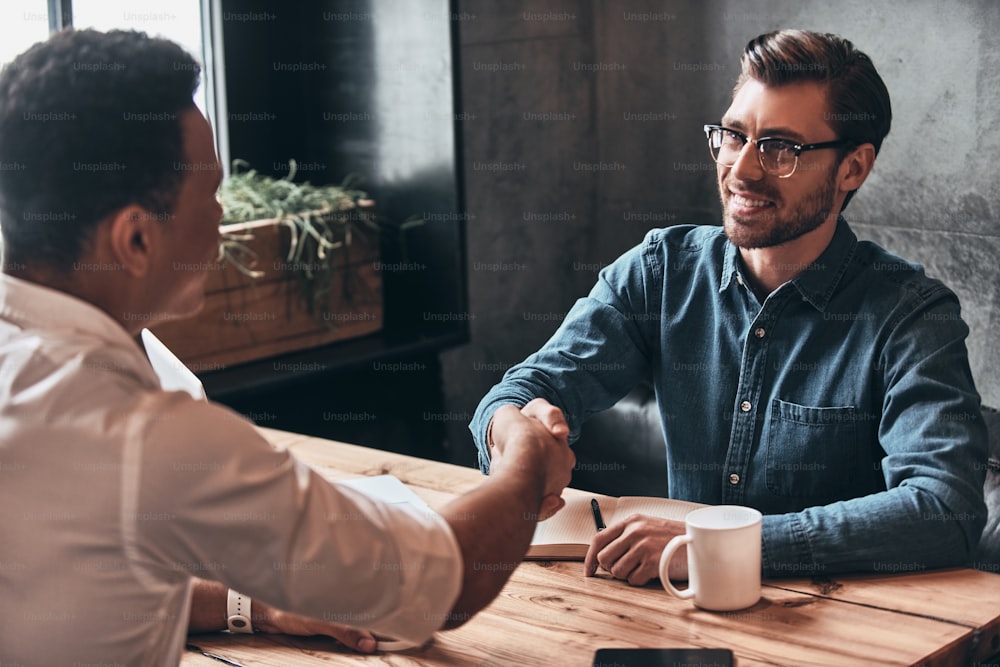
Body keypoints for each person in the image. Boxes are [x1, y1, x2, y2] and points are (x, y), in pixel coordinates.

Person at [0, 29, 575, 664]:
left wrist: (255, 603)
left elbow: (93, 578)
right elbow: (435, 582)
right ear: (135, 240)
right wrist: (524, 461)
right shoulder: (136, 429)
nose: (221, 217)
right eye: (210, 192)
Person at [471, 29, 988, 586]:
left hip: (839, 626)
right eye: (734, 136)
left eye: (781, 149)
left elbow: (945, 509)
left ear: (853, 169)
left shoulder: (912, 316)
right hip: (679, 613)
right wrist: (518, 437)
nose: (741, 170)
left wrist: (718, 545)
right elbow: (526, 389)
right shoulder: (662, 270)